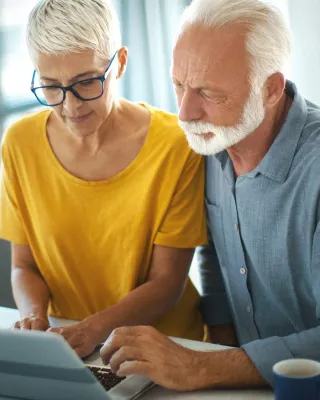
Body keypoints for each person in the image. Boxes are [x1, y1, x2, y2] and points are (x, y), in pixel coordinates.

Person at [101, 0, 320, 391]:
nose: (184, 112)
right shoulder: (214, 143)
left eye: (208, 93)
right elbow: (216, 255)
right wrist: (220, 349)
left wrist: (201, 368)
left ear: (270, 89)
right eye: (179, 85)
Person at [0, 0, 207, 358]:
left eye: (87, 82)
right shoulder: (20, 143)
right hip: (71, 349)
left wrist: (93, 329)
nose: (71, 106)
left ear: (119, 63)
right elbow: (24, 265)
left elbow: (167, 283)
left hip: (165, 352)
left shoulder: (176, 146)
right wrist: (34, 317)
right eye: (51, 86)